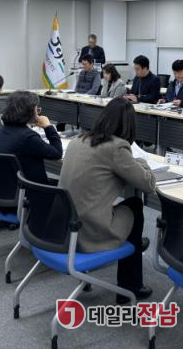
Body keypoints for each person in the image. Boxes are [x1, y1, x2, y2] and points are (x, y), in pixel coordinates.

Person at [58, 98, 156, 303]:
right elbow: (148, 184)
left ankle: (134, 244)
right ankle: (130, 286)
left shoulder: (79, 139)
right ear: (129, 125)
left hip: (64, 228)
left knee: (123, 208)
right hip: (89, 231)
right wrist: (141, 162)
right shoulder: (117, 148)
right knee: (135, 205)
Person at [0, 91, 62, 185]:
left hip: (5, 187)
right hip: (30, 189)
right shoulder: (28, 137)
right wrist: (48, 127)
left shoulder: (3, 129)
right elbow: (57, 153)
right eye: (37, 110)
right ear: (30, 112)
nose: (38, 113)